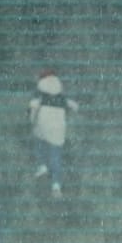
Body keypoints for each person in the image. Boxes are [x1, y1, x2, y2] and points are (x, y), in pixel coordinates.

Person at [27, 69, 78, 198]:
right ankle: (56, 185)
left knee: (39, 140)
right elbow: (73, 105)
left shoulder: (40, 91)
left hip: (44, 121)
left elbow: (33, 106)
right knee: (56, 154)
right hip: (58, 126)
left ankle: (42, 165)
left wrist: (32, 121)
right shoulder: (60, 92)